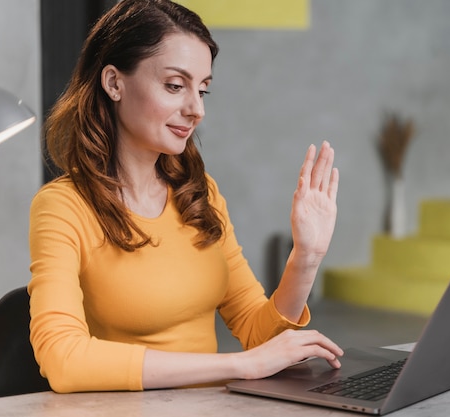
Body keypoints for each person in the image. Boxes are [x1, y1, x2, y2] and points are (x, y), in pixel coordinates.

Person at [28, 0, 342, 394]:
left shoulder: (200, 194)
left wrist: (306, 257)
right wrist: (238, 365)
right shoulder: (63, 207)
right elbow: (64, 360)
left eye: (203, 89)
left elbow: (259, 339)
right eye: (175, 86)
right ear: (114, 83)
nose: (196, 110)